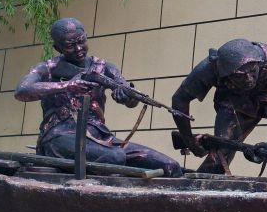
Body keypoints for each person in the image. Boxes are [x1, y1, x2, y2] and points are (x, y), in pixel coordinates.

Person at [14, 17, 182, 176]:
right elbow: (22, 91)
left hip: (101, 137)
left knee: (170, 167)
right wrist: (67, 85)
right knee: (115, 158)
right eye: (70, 45)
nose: (78, 48)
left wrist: (126, 96)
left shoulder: (105, 67)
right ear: (58, 48)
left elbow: (130, 99)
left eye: (81, 41)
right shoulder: (47, 69)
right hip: (60, 136)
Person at [171, 39, 267, 173]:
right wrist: (190, 141)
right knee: (220, 153)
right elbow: (179, 99)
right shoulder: (211, 67)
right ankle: (199, 187)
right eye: (240, 76)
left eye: (252, 71)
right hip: (235, 102)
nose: (249, 79)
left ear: (258, 62)